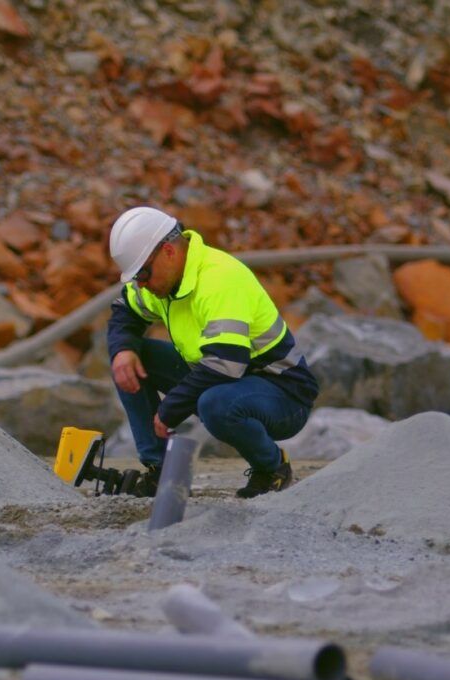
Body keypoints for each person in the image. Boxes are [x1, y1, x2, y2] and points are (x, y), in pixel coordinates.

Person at [105, 207, 319, 498]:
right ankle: (160, 471)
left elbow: (226, 362)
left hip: (284, 395)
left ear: (168, 252)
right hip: (226, 379)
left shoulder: (219, 279)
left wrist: (169, 410)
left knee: (216, 404)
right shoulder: (163, 282)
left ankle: (272, 468)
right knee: (130, 361)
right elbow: (125, 312)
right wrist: (123, 350)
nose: (141, 284)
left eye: (143, 274)